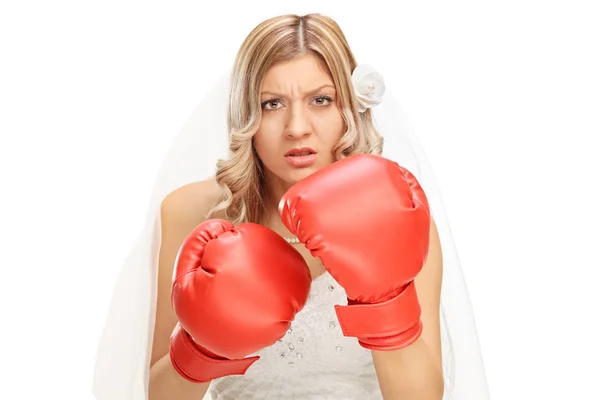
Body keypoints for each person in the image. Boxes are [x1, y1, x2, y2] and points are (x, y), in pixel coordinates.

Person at [92, 13, 490, 400]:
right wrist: (202, 347)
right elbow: (157, 397)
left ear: (348, 108)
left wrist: (384, 299)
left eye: (320, 99)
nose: (297, 126)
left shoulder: (397, 215)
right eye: (271, 104)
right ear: (245, 113)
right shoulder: (193, 212)